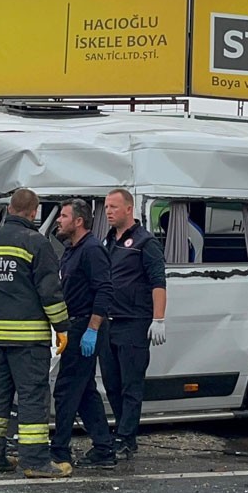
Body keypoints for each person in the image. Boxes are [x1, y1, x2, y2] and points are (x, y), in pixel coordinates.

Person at [0, 188, 72, 479]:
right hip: (29, 340)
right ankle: (35, 461)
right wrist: (62, 327)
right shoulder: (36, 243)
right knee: (32, 397)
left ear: (9, 210)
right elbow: (50, 292)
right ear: (34, 212)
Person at [50, 198, 117, 469]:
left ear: (78, 221)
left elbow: (104, 290)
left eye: (64, 216)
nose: (58, 220)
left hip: (85, 327)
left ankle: (59, 451)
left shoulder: (92, 250)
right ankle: (103, 448)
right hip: (73, 326)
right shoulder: (70, 250)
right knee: (85, 390)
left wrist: (92, 329)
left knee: (66, 390)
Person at [101, 188, 167, 460]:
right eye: (106, 207)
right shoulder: (107, 241)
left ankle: (126, 437)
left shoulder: (145, 242)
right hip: (108, 322)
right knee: (112, 384)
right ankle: (122, 431)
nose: (108, 211)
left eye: (113, 207)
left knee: (131, 384)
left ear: (129, 209)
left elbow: (158, 283)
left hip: (133, 323)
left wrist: (158, 318)